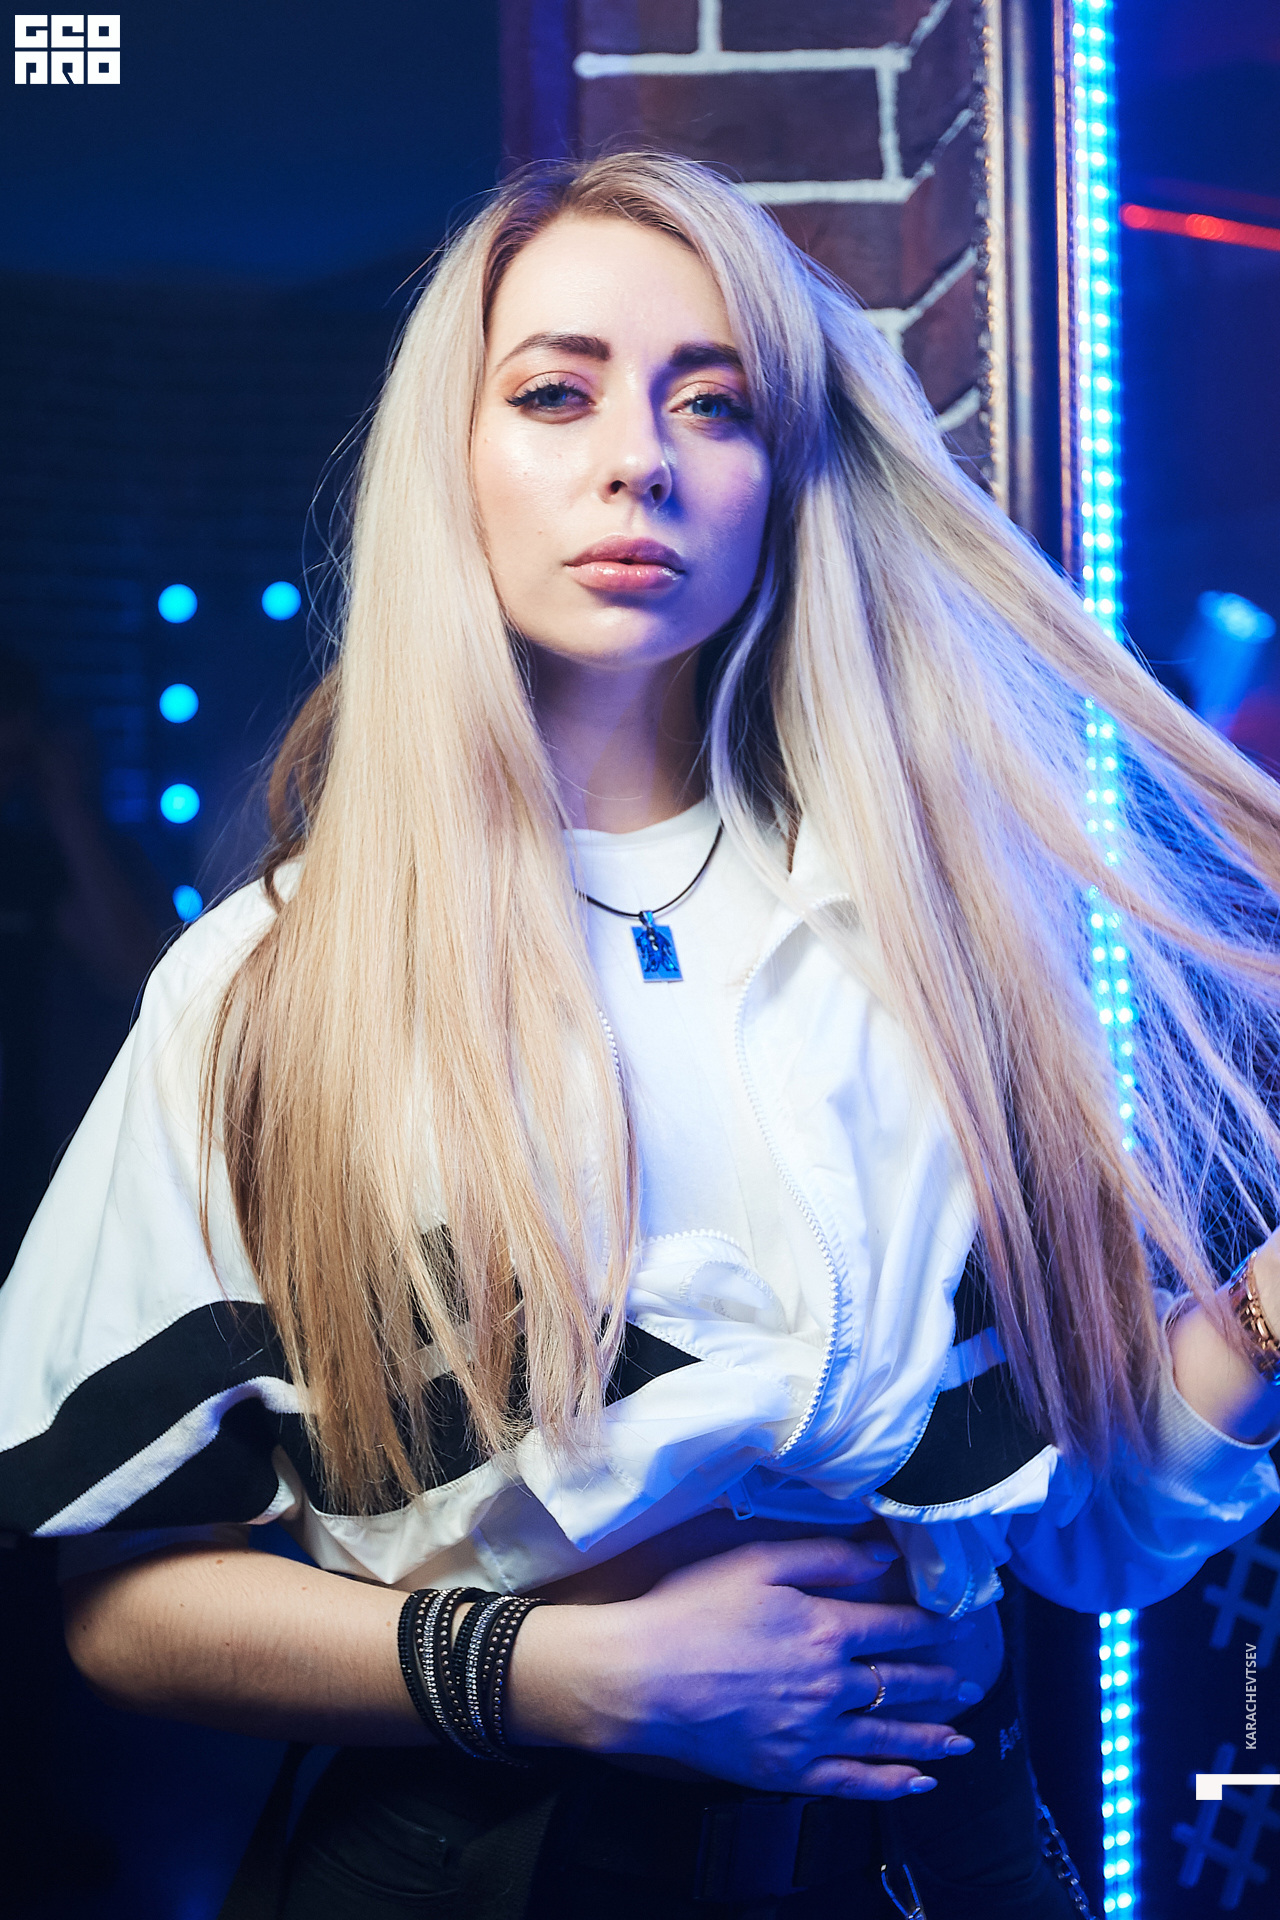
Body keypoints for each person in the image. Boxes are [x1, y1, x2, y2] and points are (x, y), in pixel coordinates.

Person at [3, 151, 1280, 1920]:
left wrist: (1266, 1313)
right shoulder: (273, 984)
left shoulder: (940, 943)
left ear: (782, 478)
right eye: (556, 393)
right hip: (483, 1868)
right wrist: (579, 1676)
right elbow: (121, 1604)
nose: (640, 460)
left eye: (714, 402)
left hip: (938, 1856)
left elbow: (1093, 1535)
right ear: (454, 461)